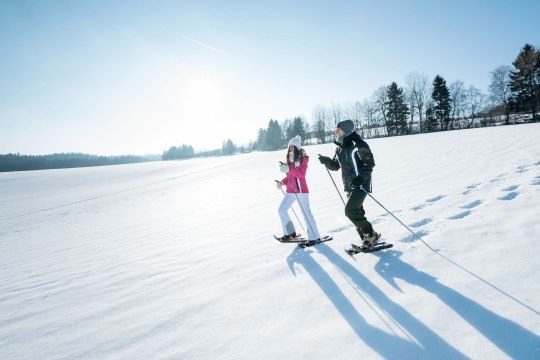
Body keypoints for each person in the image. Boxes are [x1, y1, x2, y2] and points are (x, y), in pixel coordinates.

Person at [318, 120, 378, 249]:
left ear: (346, 130)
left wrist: (361, 178)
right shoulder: (339, 147)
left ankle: (370, 234)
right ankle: (368, 238)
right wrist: (327, 161)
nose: (336, 131)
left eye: (338, 129)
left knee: (350, 211)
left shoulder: (358, 144)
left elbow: (369, 163)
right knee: (357, 212)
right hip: (348, 185)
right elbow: (335, 166)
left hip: (361, 184)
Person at [275, 135, 321, 242]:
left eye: (293, 147)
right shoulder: (290, 160)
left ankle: (314, 237)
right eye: (289, 147)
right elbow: (290, 176)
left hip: (301, 191)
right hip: (290, 191)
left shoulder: (303, 158)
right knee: (281, 209)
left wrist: (289, 168)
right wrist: (282, 182)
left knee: (306, 213)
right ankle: (289, 233)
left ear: (297, 147)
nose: (290, 148)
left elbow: (301, 174)